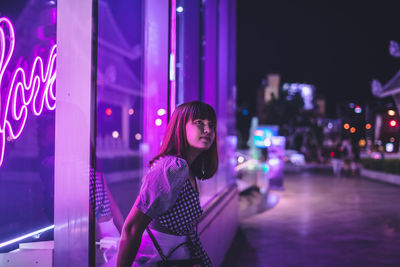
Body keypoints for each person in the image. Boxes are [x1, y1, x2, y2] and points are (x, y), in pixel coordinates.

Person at [117, 101, 218, 267]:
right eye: (199, 123)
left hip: (174, 258)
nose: (208, 130)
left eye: (211, 125)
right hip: (156, 259)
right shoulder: (174, 167)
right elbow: (132, 228)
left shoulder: (188, 169)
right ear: (180, 126)